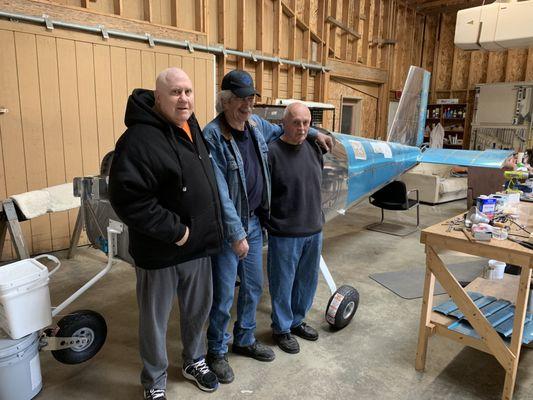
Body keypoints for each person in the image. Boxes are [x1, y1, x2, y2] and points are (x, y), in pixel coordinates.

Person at [203, 70, 333, 384]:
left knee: (253, 287)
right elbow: (220, 192)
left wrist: (315, 133)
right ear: (225, 101)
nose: (247, 105)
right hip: (228, 225)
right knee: (222, 294)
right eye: (240, 99)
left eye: (250, 98)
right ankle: (217, 351)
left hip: (252, 221)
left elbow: (285, 127)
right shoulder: (213, 135)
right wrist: (236, 234)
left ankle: (245, 339)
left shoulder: (255, 125)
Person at [108, 68, 223, 400]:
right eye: (175, 92)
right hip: (161, 251)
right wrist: (177, 232)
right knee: (155, 322)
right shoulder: (137, 139)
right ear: (158, 98)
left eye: (188, 91)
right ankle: (154, 379)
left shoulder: (191, 127)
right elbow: (127, 198)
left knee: (198, 311)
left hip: (198, 247)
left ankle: (194, 361)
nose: (184, 98)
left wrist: (203, 232)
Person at [265, 102, 324, 354]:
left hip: (313, 228)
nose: (301, 128)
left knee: (307, 282)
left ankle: (297, 320)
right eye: (296, 123)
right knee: (283, 283)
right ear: (284, 124)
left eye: (306, 123)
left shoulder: (314, 147)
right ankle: (281, 328)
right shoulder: (271, 153)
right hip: (285, 232)